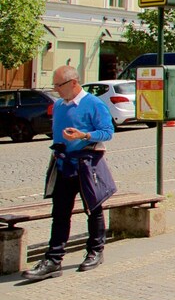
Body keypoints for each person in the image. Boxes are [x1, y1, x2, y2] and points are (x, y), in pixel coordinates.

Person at [22, 66, 116, 281]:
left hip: (86, 164)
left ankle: (95, 251)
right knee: (60, 213)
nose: (55, 89)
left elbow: (107, 132)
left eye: (59, 85)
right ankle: (54, 260)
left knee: (93, 209)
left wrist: (84, 135)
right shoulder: (58, 106)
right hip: (63, 164)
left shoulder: (93, 104)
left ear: (74, 83)